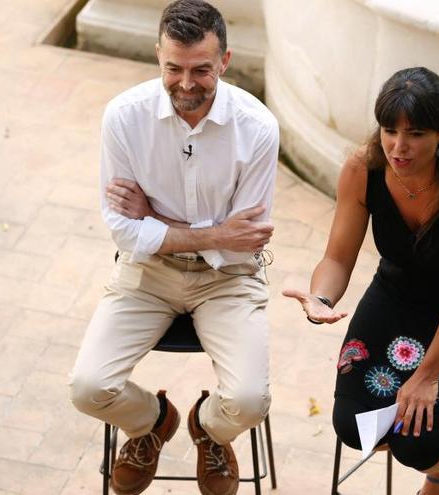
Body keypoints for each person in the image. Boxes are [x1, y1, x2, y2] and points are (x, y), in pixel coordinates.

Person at [67, 1, 279, 494]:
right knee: (87, 389)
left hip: (229, 278)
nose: (187, 83)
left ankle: (207, 427)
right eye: (173, 68)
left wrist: (157, 218)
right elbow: (123, 232)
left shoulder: (258, 127)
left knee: (248, 402)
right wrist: (213, 232)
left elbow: (239, 243)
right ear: (158, 57)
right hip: (147, 273)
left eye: (202, 69)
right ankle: (152, 421)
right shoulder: (123, 116)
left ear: (224, 62)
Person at [283, 67, 439, 495]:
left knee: (416, 439)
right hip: (398, 294)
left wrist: (426, 376)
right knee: (352, 425)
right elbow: (337, 256)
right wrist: (320, 297)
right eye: (389, 131)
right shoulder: (363, 168)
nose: (398, 147)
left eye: (415, 134)